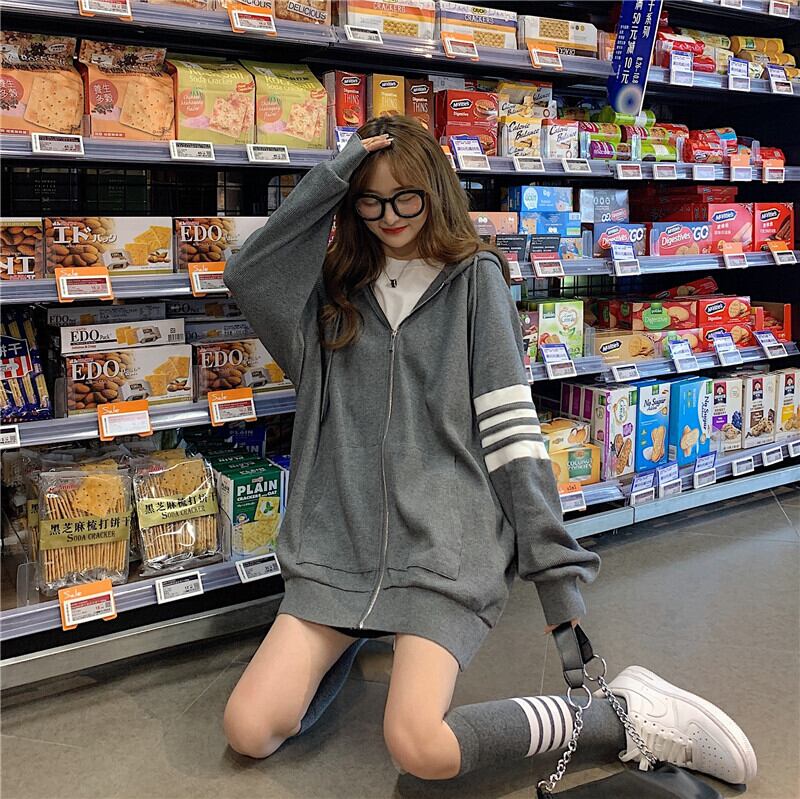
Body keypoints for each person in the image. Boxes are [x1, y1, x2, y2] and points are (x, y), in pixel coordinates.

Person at [222, 116, 757, 787]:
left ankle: (621, 716)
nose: (390, 217)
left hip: (444, 551)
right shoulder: (332, 298)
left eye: (407, 197)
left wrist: (555, 578)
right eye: (370, 201)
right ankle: (357, 636)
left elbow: (512, 433)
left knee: (419, 745)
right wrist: (336, 170)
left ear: (436, 190)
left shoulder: (474, 280)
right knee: (248, 729)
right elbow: (249, 271)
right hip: (339, 553)